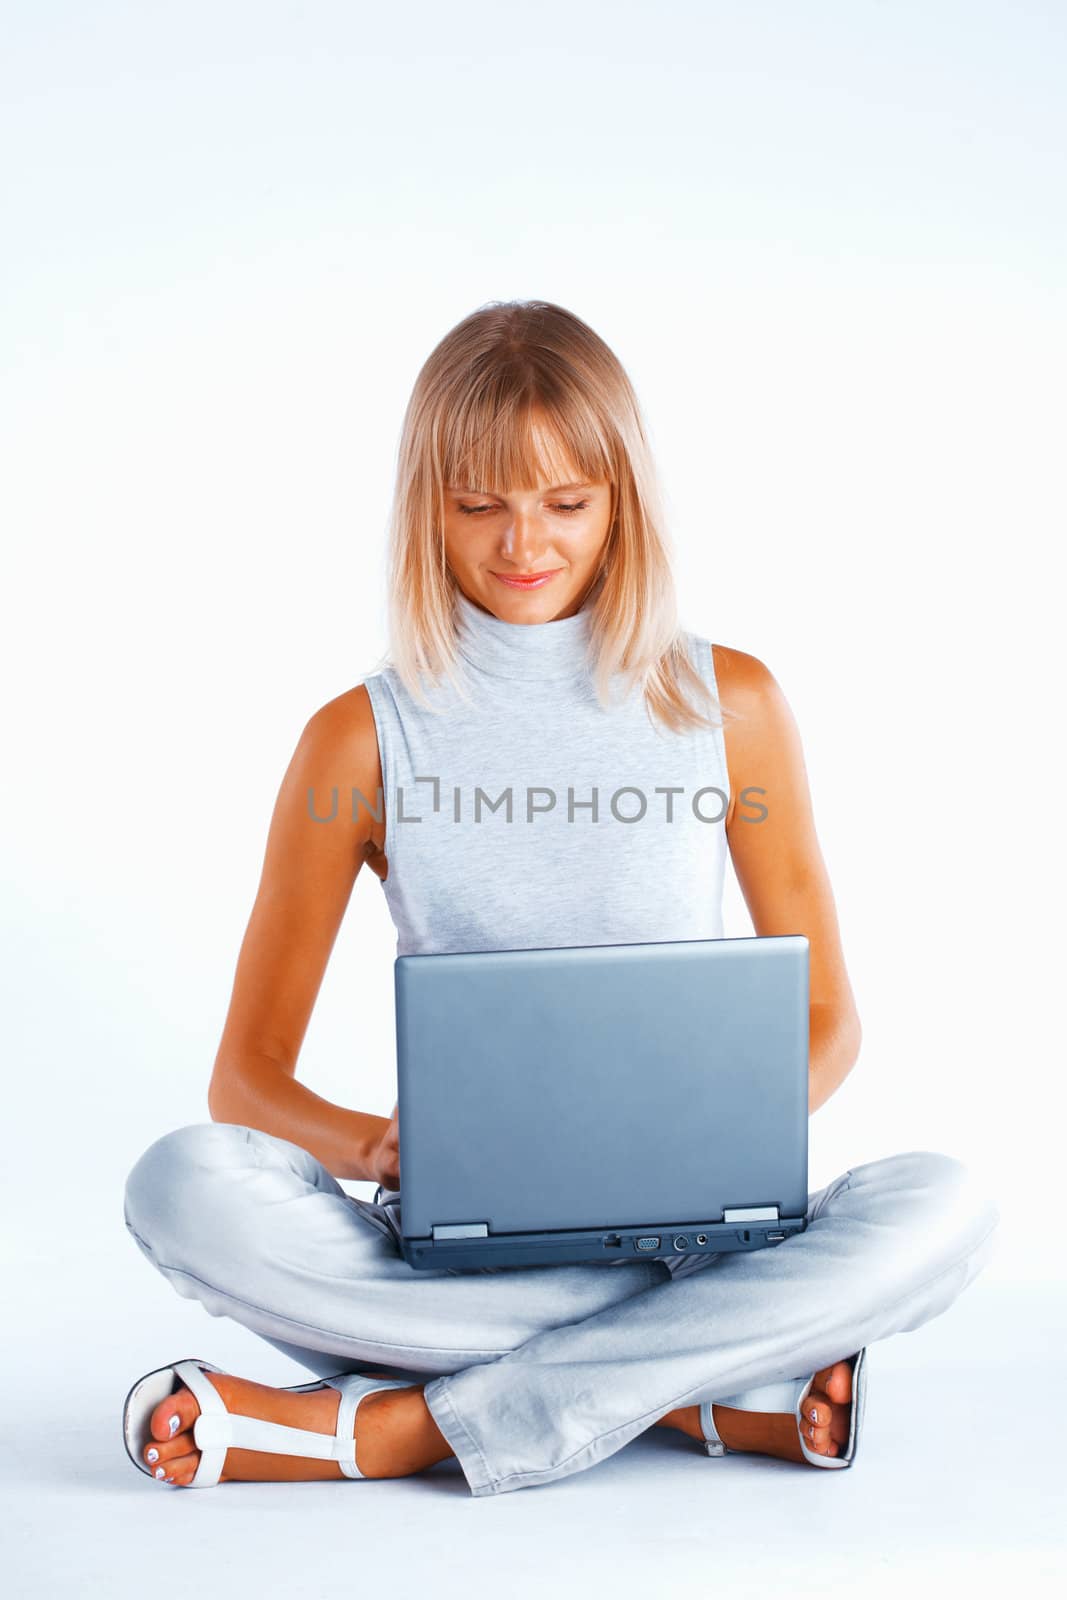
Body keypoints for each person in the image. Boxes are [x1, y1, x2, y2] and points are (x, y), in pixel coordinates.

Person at [122, 300, 1000, 1497]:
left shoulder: (727, 703)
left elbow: (830, 1022)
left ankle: (393, 1428)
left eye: (563, 503)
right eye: (478, 501)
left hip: (694, 1240)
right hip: (467, 1253)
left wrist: (711, 1141)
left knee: (941, 1206)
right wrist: (392, 1148)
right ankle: (691, 1386)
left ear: (619, 504)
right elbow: (246, 1082)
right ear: (426, 503)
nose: (520, 543)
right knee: (179, 1184)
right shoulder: (356, 741)